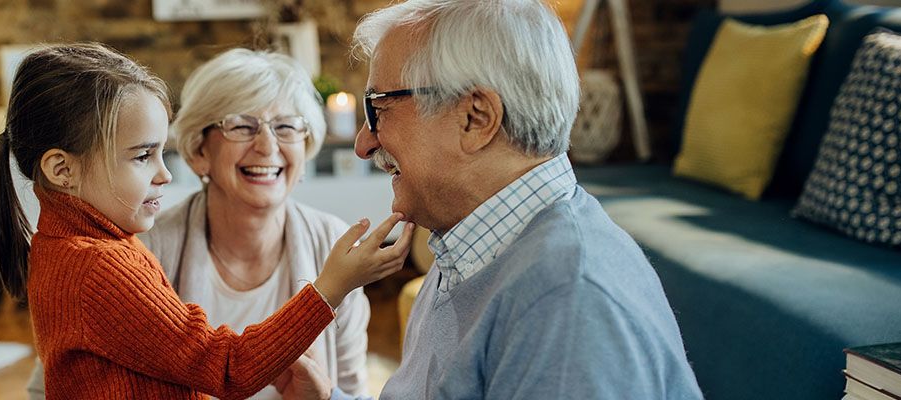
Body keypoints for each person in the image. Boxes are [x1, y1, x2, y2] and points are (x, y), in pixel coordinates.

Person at [293, 0, 704, 398]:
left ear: (477, 118)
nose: (363, 144)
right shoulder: (467, 243)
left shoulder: (568, 305)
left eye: (378, 107)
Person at [0, 42, 414, 399]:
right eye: (242, 126)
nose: (267, 146)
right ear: (199, 151)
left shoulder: (332, 243)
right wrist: (331, 286)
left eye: (287, 127)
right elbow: (227, 369)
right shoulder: (119, 257)